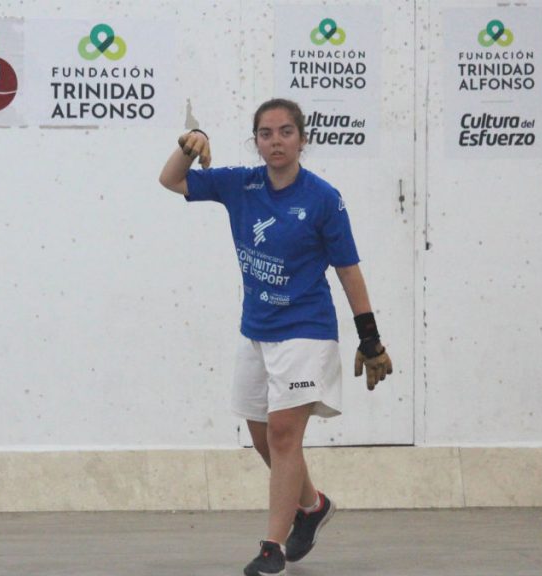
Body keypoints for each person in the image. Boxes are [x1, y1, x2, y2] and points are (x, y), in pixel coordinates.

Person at [158, 98, 393, 576]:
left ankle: (272, 546)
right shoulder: (241, 185)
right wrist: (189, 145)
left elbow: (349, 271)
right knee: (263, 436)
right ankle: (313, 506)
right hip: (257, 332)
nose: (276, 141)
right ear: (256, 141)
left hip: (308, 330)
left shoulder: (324, 198)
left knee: (285, 434)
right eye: (266, 133)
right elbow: (172, 179)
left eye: (286, 132)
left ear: (302, 139)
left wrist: (369, 338)